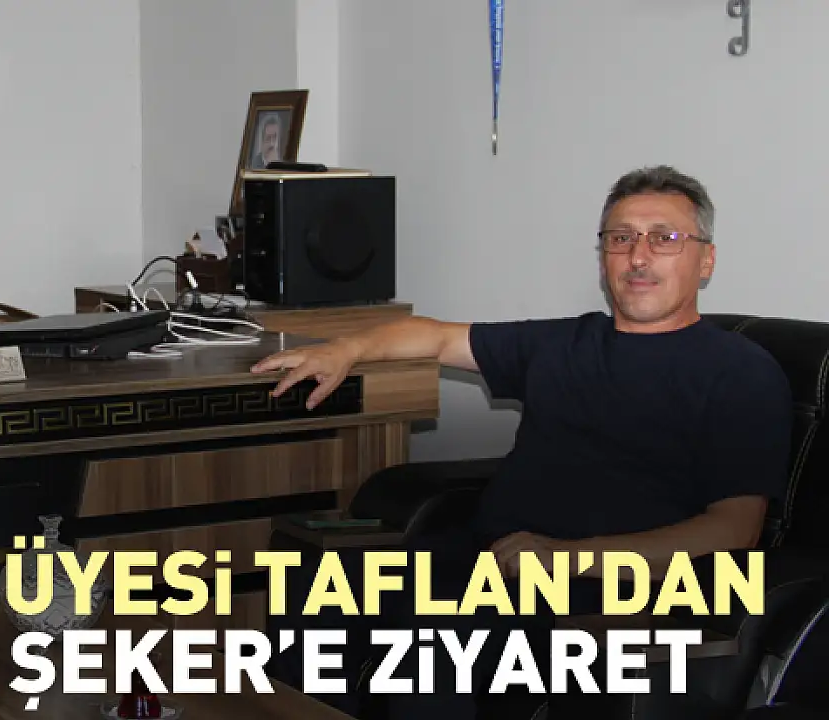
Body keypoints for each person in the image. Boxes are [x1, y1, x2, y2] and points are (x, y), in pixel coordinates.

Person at [251, 165, 791, 717]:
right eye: (621, 237)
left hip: (611, 591)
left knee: (441, 632)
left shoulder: (740, 373)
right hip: (492, 560)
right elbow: (435, 338)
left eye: (665, 238)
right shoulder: (566, 342)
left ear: (706, 260)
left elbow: (735, 529)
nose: (638, 256)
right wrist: (345, 350)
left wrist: (567, 558)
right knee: (319, 583)